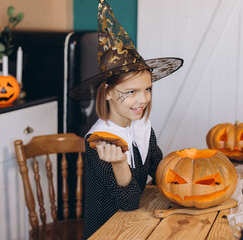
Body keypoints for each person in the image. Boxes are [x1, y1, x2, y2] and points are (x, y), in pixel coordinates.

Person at [68, 0, 184, 239]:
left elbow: (157, 166)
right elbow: (129, 201)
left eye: (147, 89)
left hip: (134, 223)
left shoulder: (140, 125)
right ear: (108, 92)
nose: (143, 100)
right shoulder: (99, 141)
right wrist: (120, 164)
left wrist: (187, 170)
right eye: (131, 92)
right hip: (108, 230)